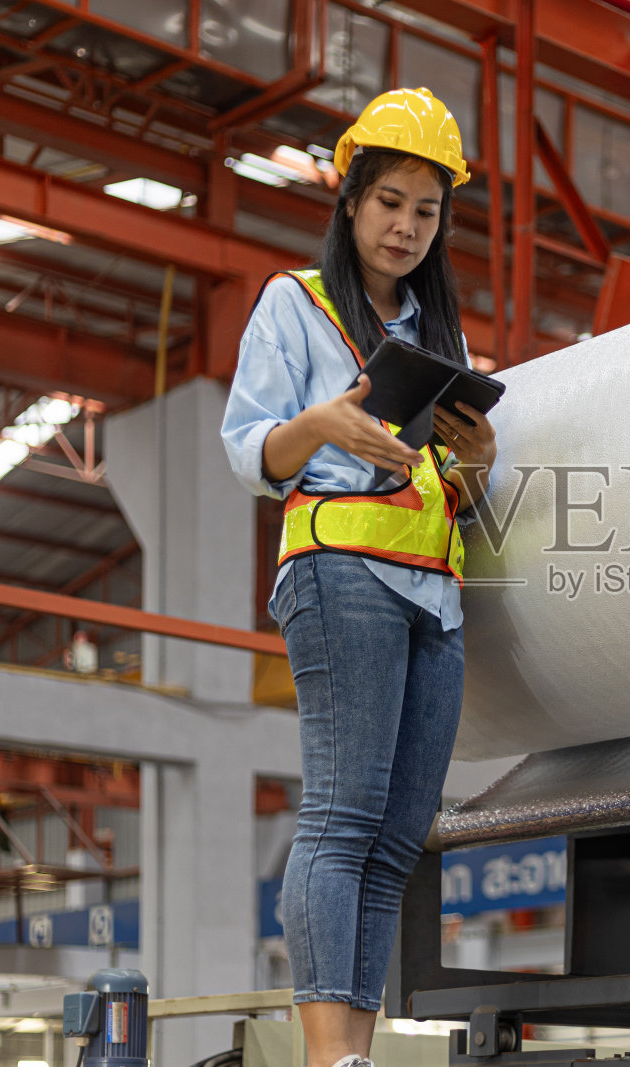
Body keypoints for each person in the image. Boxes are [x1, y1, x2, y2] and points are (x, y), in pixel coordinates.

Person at [221, 87, 497, 1067]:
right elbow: (246, 447)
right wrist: (321, 427)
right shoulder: (293, 304)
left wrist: (472, 459)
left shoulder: (437, 335)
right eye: (389, 202)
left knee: (395, 838)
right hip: (340, 569)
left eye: (426, 210)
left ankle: (357, 1052)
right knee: (341, 815)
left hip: (432, 588)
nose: (406, 226)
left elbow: (445, 487)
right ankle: (326, 1054)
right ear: (349, 201)